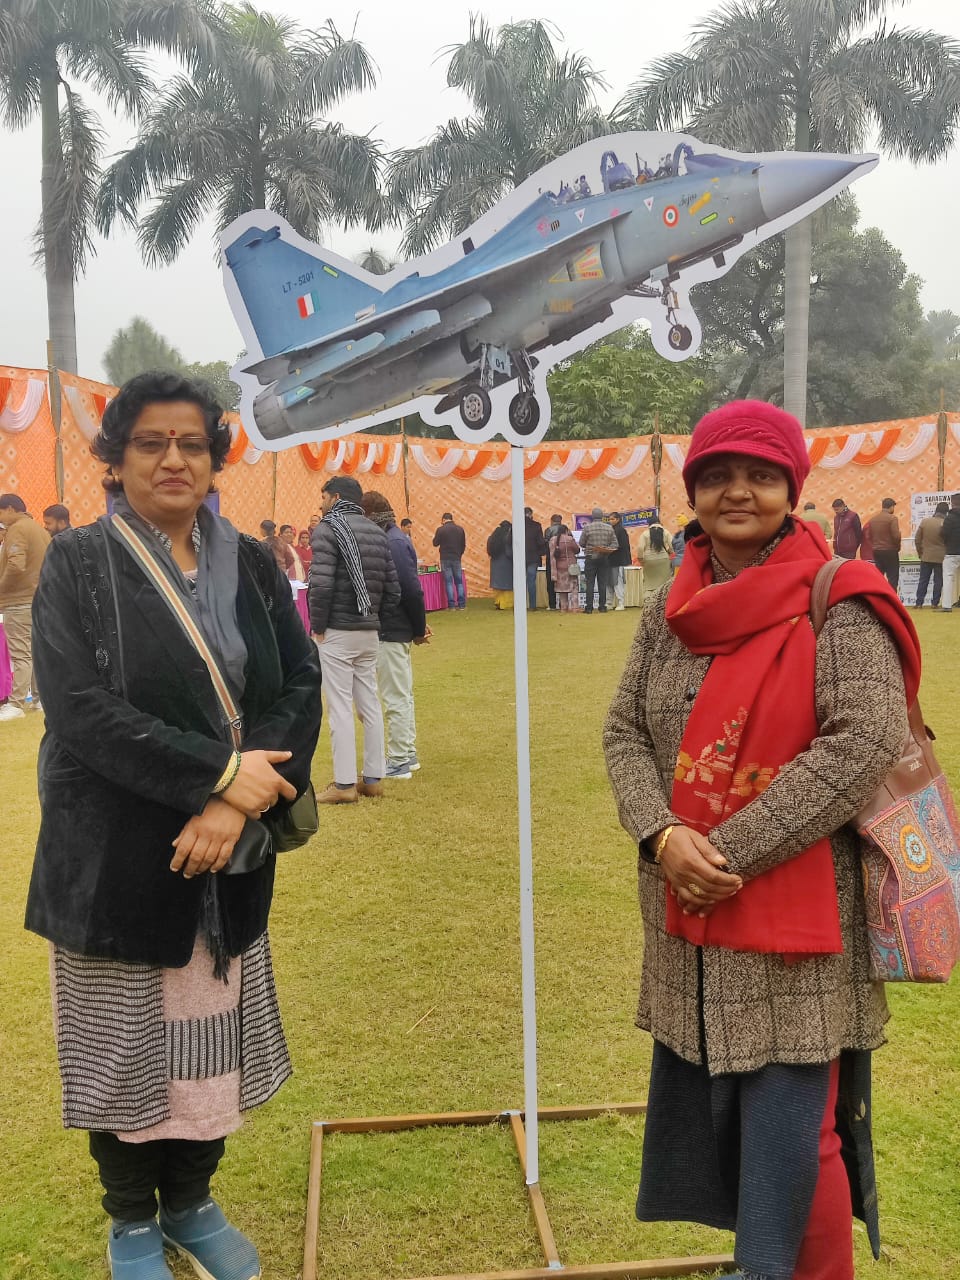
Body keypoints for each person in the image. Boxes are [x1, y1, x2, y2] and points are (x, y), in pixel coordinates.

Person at [604, 399, 919, 1280]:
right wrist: (660, 833)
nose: (737, 491)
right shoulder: (674, 606)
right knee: (732, 1119)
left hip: (798, 913)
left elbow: (863, 741)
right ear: (693, 491)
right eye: (717, 475)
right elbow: (624, 731)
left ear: (792, 488)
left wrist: (723, 853)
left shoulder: (839, 600)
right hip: (688, 907)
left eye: (759, 475)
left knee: (797, 1133)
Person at [24, 371, 322, 1280]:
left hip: (227, 847)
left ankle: (190, 1204)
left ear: (214, 458)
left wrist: (233, 802)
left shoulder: (252, 562)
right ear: (115, 459)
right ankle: (130, 1223)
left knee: (208, 1042)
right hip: (113, 849)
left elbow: (298, 683)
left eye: (192, 443)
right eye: (150, 442)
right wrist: (220, 773)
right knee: (124, 1050)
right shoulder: (78, 562)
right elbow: (78, 708)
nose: (173, 459)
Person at [309, 475, 399, 803]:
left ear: (335, 498)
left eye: (323, 497)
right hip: (368, 631)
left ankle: (345, 785)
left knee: (340, 708)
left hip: (338, 630)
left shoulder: (328, 529)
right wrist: (375, 619)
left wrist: (318, 626)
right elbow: (393, 590)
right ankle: (373, 779)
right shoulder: (377, 532)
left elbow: (320, 585)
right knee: (369, 704)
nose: (321, 504)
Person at [360, 491, 430, 780]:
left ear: (370, 515)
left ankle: (399, 759)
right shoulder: (394, 539)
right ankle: (407, 754)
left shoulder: (393, 542)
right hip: (396, 627)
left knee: (395, 697)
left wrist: (418, 628)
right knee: (401, 694)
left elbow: (410, 590)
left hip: (391, 628)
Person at [0, 492, 51, 720]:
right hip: (40, 599)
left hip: (18, 601)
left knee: (21, 654)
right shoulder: (40, 530)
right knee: (35, 652)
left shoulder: (17, 529)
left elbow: (15, 566)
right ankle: (40, 700)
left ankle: (16, 703)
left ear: (10, 509)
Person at [578, 507, 617, 613]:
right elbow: (615, 544)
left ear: (592, 516)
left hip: (590, 557)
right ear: (602, 516)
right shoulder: (609, 528)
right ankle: (602, 606)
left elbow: (581, 543)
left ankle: (589, 608)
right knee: (602, 583)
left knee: (590, 582)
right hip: (604, 557)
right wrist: (605, 548)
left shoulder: (587, 528)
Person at [914, 501, 947, 608]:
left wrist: (920, 553)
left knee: (923, 580)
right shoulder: (946, 524)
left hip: (926, 556)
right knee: (938, 581)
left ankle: (919, 603)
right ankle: (935, 603)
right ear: (946, 512)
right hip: (941, 557)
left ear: (936, 510)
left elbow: (917, 539)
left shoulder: (925, 522)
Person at [432, 511, 467, 609]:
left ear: (443, 520)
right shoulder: (460, 529)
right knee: (459, 582)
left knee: (448, 582)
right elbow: (463, 545)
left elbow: (435, 543)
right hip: (456, 558)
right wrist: (459, 554)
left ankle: (451, 605)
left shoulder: (441, 529)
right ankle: (461, 604)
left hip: (445, 558)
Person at [865, 498, 901, 590]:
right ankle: (891, 596)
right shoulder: (892, 518)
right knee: (893, 577)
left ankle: (878, 594)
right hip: (890, 551)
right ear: (891, 507)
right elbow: (896, 536)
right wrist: (897, 547)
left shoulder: (873, 520)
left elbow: (868, 536)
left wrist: (875, 545)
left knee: (879, 576)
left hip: (877, 551)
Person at [637, 517, 673, 596]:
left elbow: (640, 547)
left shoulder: (645, 533)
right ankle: (663, 600)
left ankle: (649, 600)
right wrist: (670, 552)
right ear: (659, 522)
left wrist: (640, 559)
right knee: (664, 583)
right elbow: (672, 545)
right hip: (663, 559)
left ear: (649, 524)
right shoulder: (666, 532)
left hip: (649, 560)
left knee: (649, 583)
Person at [549, 524, 580, 612]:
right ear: (566, 530)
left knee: (562, 588)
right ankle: (575, 607)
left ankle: (563, 608)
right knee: (574, 587)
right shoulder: (570, 539)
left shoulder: (553, 540)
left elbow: (552, 555)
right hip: (571, 566)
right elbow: (577, 550)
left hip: (559, 566)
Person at [606, 512, 632, 610]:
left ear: (618, 519)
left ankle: (621, 603)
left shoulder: (621, 531)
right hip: (610, 560)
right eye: (609, 519)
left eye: (612, 519)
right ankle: (609, 603)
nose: (610, 521)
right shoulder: (611, 530)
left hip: (618, 560)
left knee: (618, 582)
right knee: (609, 582)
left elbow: (623, 546)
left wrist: (611, 549)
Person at [940, 493, 960, 612]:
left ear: (952, 503)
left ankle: (947, 606)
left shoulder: (949, 518)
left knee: (948, 578)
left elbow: (943, 534)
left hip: (952, 552)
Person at [486, 520, 513, 610]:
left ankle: (498, 602)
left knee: (497, 585)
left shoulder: (493, 537)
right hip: (506, 564)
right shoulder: (507, 538)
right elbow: (509, 553)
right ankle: (505, 604)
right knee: (506, 585)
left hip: (495, 563)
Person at [524, 507, 547, 610]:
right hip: (533, 557)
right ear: (530, 514)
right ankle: (532, 605)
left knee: (520, 582)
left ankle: (520, 605)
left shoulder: (515, 525)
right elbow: (540, 542)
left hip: (519, 557)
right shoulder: (536, 526)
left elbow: (509, 540)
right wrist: (542, 552)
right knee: (531, 581)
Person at [543, 514, 564, 610]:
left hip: (551, 559)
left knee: (550, 581)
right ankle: (562, 603)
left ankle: (552, 604)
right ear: (560, 521)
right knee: (562, 581)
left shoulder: (548, 530)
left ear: (551, 521)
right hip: (563, 559)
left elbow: (545, 544)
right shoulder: (565, 529)